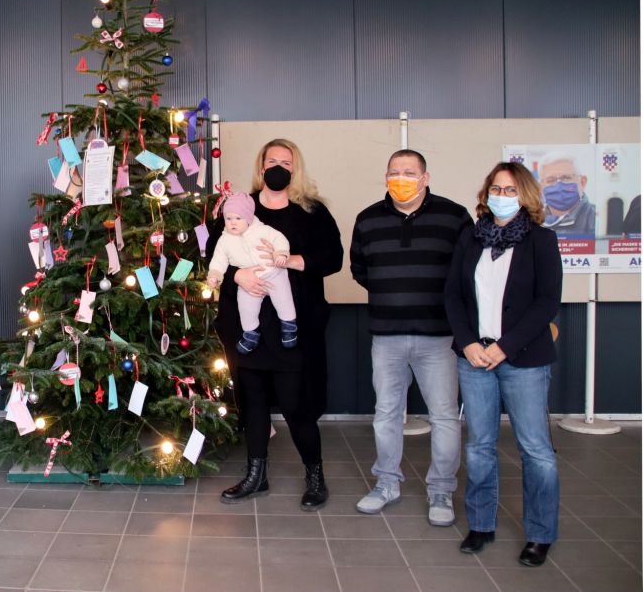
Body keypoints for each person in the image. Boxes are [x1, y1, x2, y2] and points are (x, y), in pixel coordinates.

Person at [207, 138, 343, 510]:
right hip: (247, 328)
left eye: (287, 161)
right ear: (260, 166)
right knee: (253, 404)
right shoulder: (238, 209)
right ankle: (256, 475)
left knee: (298, 405)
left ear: (295, 169)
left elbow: (333, 259)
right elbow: (211, 252)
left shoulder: (312, 213)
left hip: (293, 329)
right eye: (272, 161)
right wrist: (238, 276)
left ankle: (314, 475)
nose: (278, 167)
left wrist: (290, 261)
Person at [444, 162, 562, 567]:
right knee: (479, 446)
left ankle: (540, 534)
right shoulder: (470, 238)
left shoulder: (541, 241)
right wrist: (468, 343)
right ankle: (481, 524)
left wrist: (506, 347)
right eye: (496, 188)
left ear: (526, 196)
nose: (502, 196)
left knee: (536, 450)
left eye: (511, 190)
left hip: (523, 359)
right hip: (475, 357)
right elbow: (453, 297)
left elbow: (547, 301)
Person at [350, 149, 471, 526]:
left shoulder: (454, 217)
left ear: (425, 177)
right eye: (393, 172)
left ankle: (441, 490)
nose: (400, 178)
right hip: (386, 336)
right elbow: (360, 270)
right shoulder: (368, 219)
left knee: (445, 417)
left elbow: (466, 271)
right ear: (385, 176)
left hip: (439, 338)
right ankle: (387, 483)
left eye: (409, 172)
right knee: (386, 415)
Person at [207, 192, 297, 354]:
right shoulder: (224, 240)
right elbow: (218, 260)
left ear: (248, 218)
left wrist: (281, 253)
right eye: (229, 219)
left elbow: (280, 239)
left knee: (283, 298)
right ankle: (250, 333)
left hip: (272, 273)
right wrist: (215, 275)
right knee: (246, 307)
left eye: (238, 218)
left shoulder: (263, 230)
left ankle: (289, 324)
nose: (233, 223)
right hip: (248, 282)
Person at [538, 152, 595, 237]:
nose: (559, 186)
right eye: (551, 180)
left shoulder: (594, 218)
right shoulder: (533, 220)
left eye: (566, 178)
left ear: (582, 182)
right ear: (540, 187)